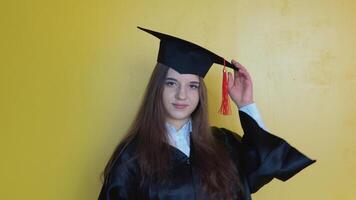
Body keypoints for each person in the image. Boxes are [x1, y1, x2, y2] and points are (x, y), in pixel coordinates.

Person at [98, 27, 316, 200]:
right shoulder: (132, 156)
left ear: (200, 92)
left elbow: (266, 165)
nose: (182, 95)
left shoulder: (224, 144)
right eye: (171, 83)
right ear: (157, 88)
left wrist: (246, 104)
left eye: (192, 86)